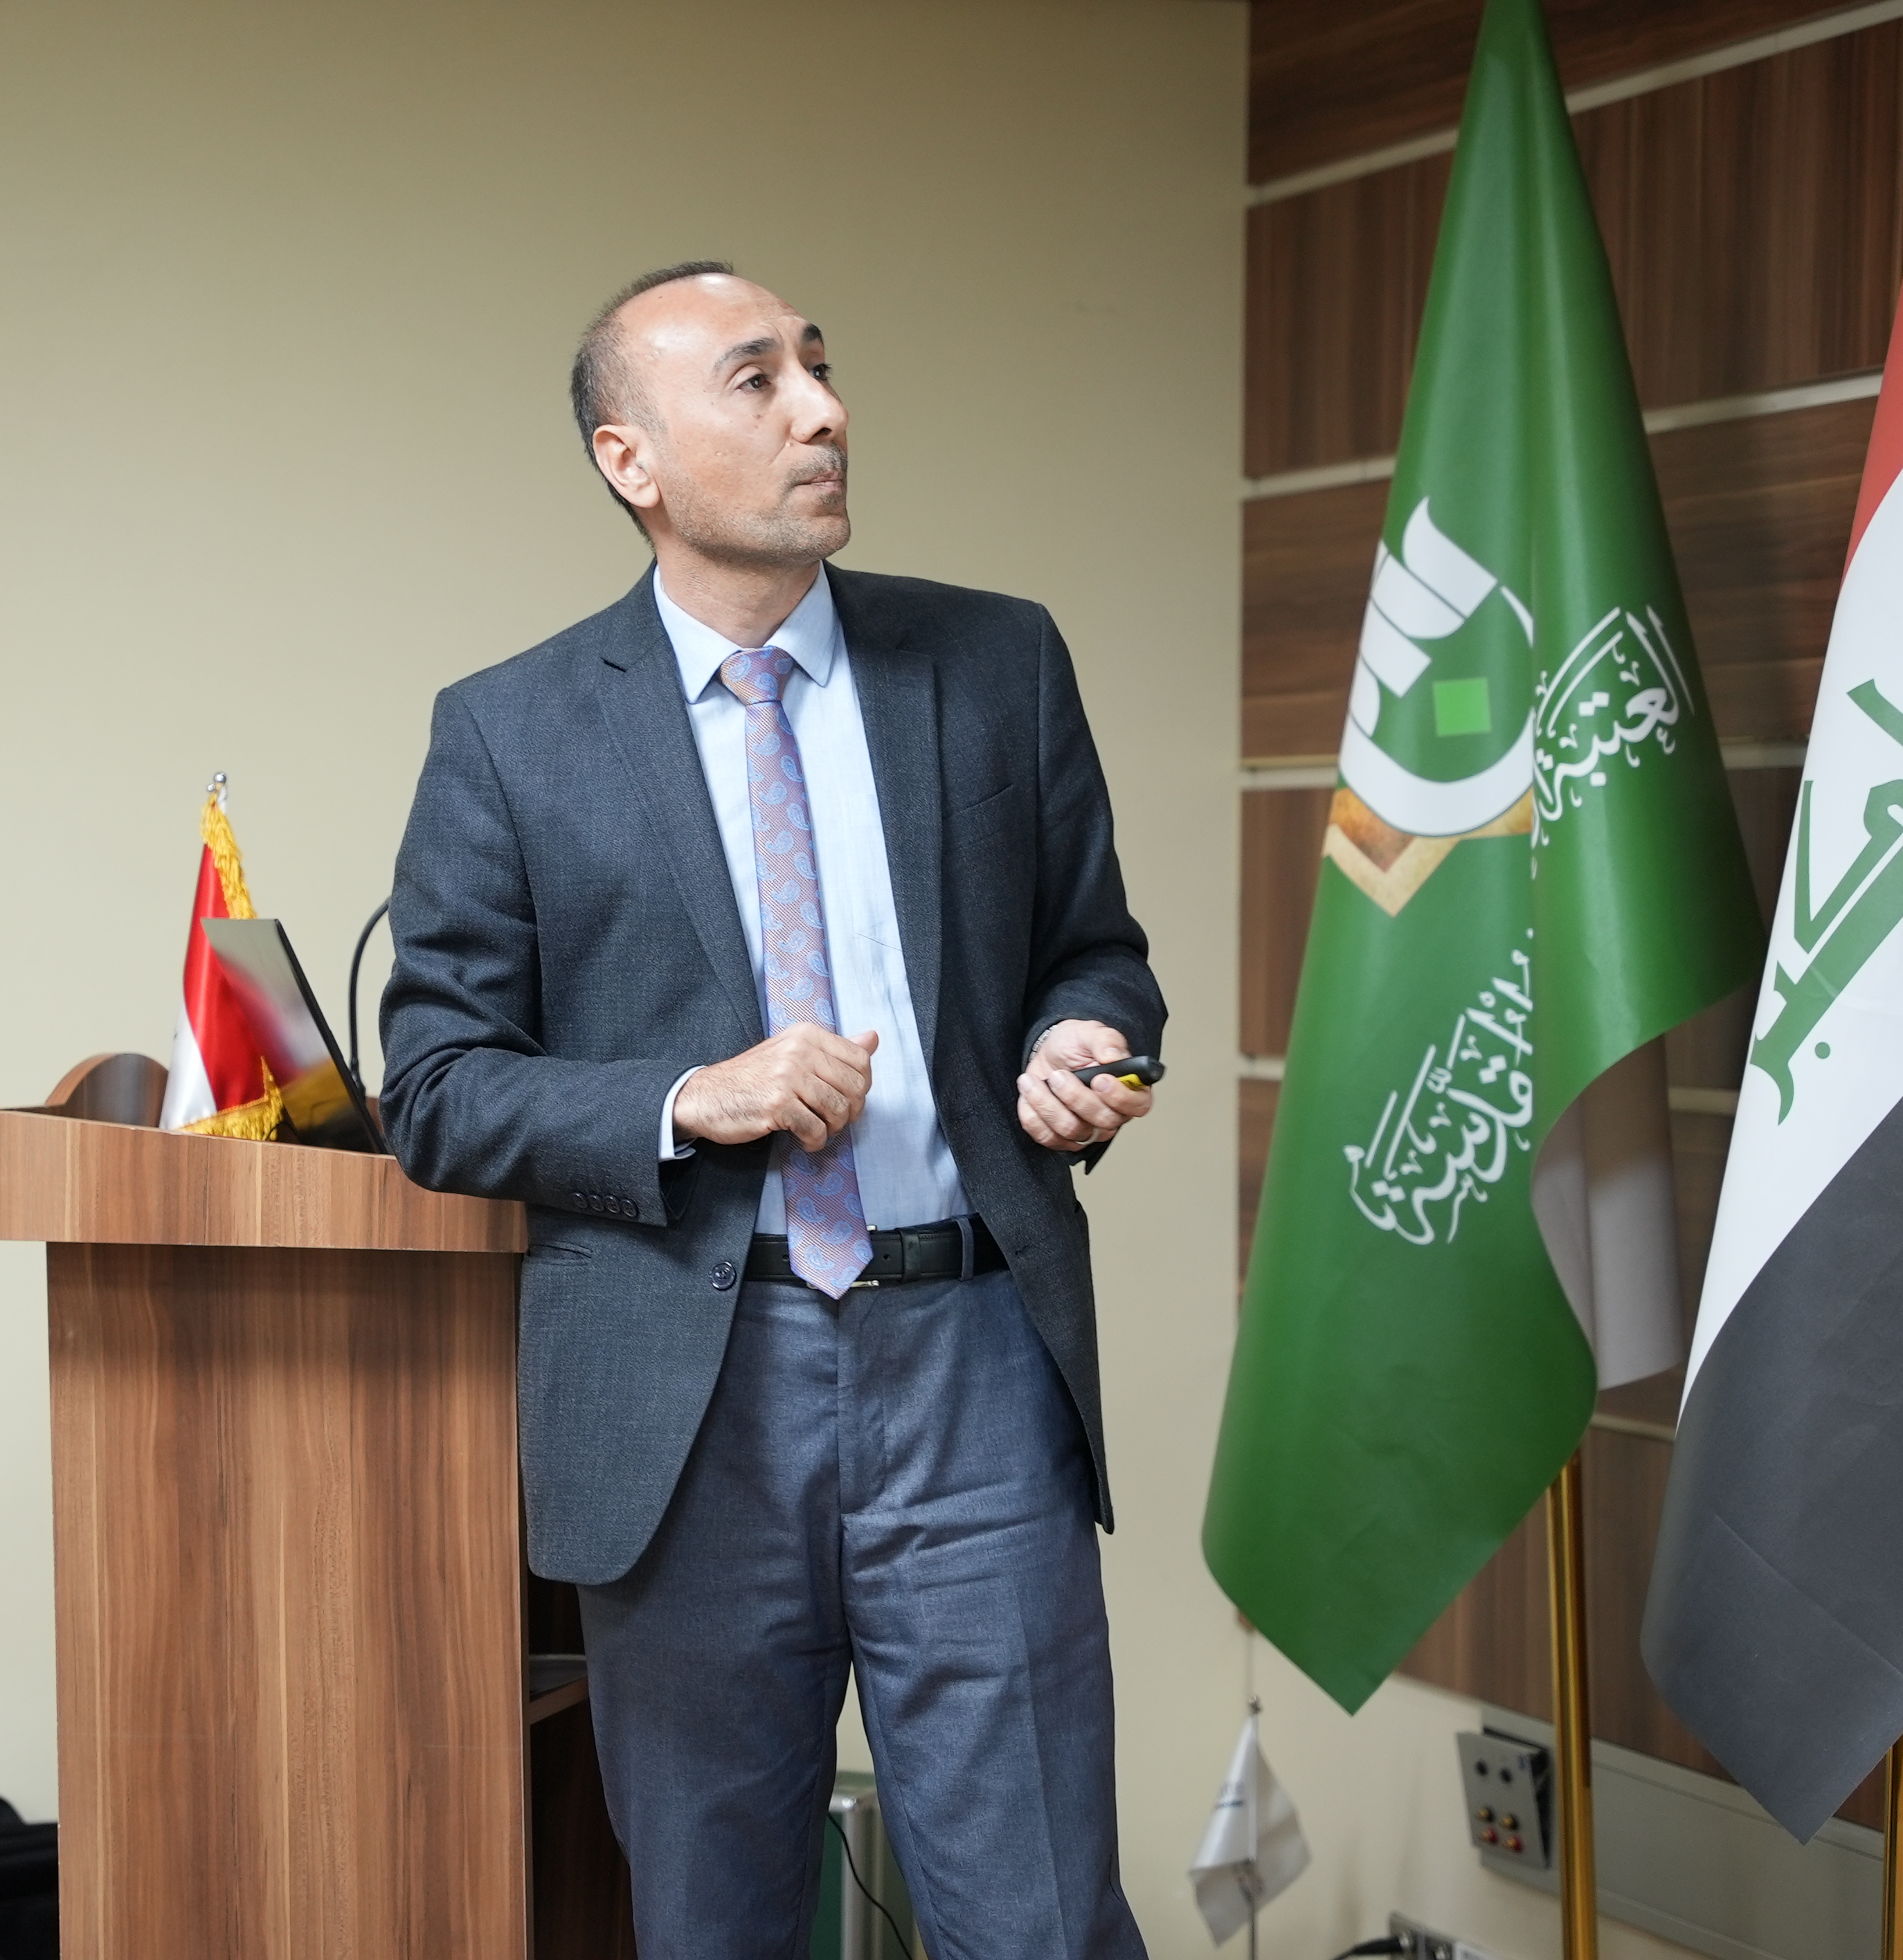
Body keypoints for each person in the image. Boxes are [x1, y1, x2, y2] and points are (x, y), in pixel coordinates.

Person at [379, 261, 1163, 1959]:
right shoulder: (509, 735)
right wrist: (691, 1098)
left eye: (819, 365)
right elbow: (436, 1089)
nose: (822, 410)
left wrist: (1084, 1039)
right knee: (712, 1924)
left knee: (1039, 1917)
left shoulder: (997, 663)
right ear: (630, 461)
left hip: (971, 1363)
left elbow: (1093, 952)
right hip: (688, 1393)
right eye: (755, 381)